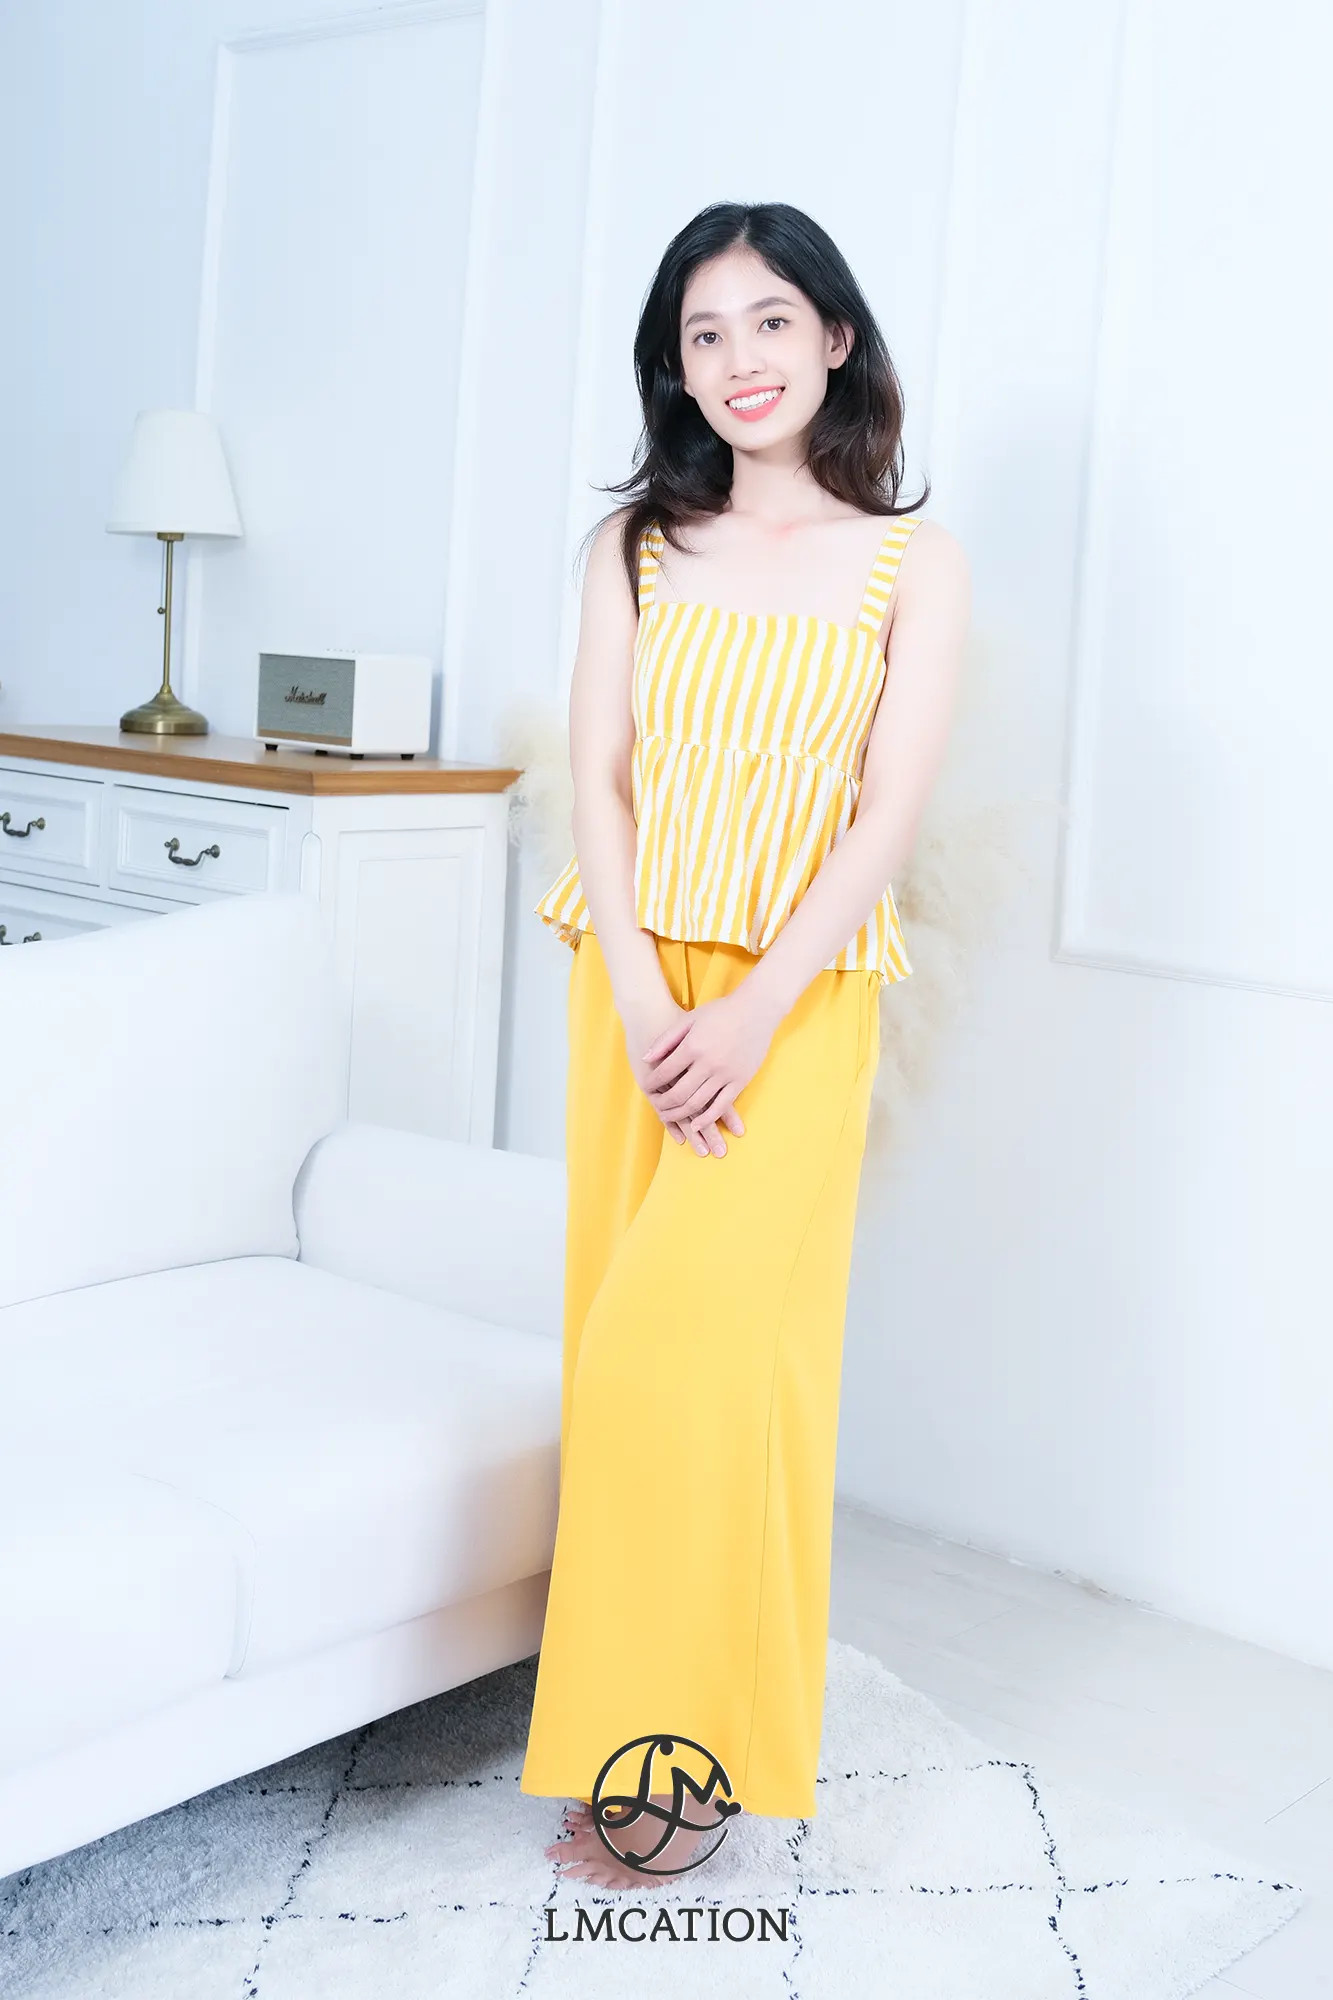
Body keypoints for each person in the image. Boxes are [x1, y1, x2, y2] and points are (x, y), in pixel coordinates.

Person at [520, 200, 971, 1892]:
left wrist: (750, 1010)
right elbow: (598, 777)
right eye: (702, 334)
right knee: (625, 1363)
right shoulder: (634, 546)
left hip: (798, 999)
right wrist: (648, 999)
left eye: (769, 321)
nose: (738, 360)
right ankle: (638, 1738)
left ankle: (689, 1768)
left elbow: (884, 818)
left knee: (710, 1366)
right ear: (677, 367)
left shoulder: (912, 564)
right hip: (634, 988)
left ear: (834, 338)